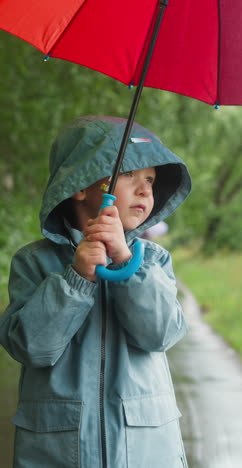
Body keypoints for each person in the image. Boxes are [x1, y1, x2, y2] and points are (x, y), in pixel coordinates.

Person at [0, 116, 191, 468]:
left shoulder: (154, 260)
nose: (145, 190)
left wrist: (125, 262)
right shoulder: (34, 262)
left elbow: (160, 333)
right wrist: (76, 277)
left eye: (150, 179)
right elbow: (32, 348)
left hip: (145, 449)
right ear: (80, 184)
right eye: (129, 174)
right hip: (58, 451)